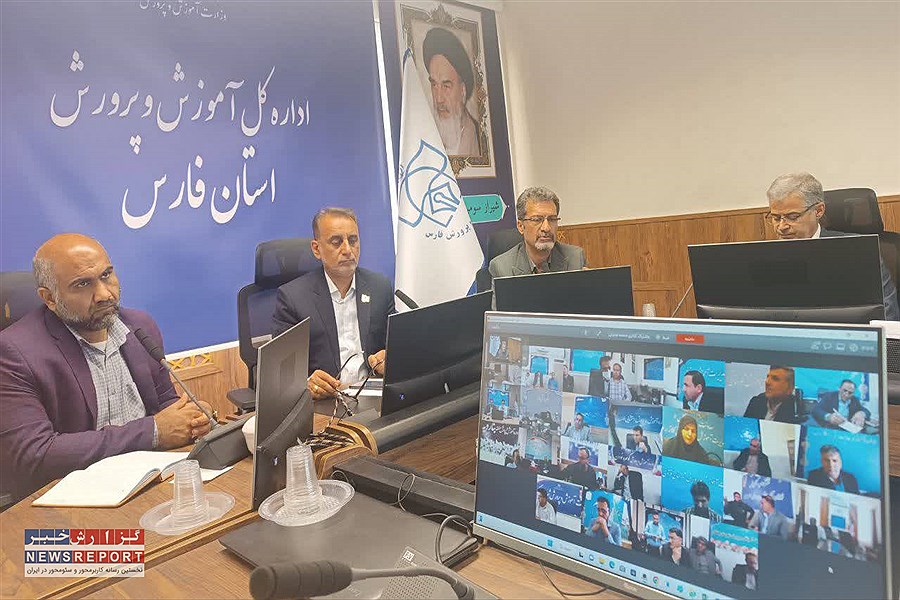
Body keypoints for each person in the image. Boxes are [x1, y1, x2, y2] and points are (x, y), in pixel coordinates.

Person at [0, 234, 213, 501]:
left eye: (106, 275)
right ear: (50, 298)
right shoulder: (14, 353)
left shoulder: (139, 326)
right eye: (82, 284)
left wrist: (192, 420)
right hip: (71, 499)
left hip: (148, 483)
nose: (104, 294)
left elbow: (166, 405)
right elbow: (36, 454)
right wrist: (152, 432)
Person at [272, 208, 394, 401]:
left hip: (373, 395)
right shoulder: (293, 298)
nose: (347, 250)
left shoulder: (379, 287)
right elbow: (281, 373)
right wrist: (306, 382)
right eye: (336, 242)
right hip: (325, 402)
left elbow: (395, 345)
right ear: (316, 249)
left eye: (353, 240)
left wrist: (389, 358)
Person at [765, 172, 898, 320]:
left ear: (818, 211)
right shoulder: (767, 257)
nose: (781, 227)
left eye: (792, 217)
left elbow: (888, 313)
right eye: (775, 218)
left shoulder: (858, 252)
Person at [488, 186, 586, 278]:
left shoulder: (575, 259)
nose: (546, 228)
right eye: (537, 219)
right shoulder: (502, 268)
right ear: (521, 226)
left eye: (552, 219)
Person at [422, 27, 481, 157]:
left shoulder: (477, 136)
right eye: (434, 84)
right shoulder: (425, 135)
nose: (439, 99)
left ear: (462, 90)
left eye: (446, 86)